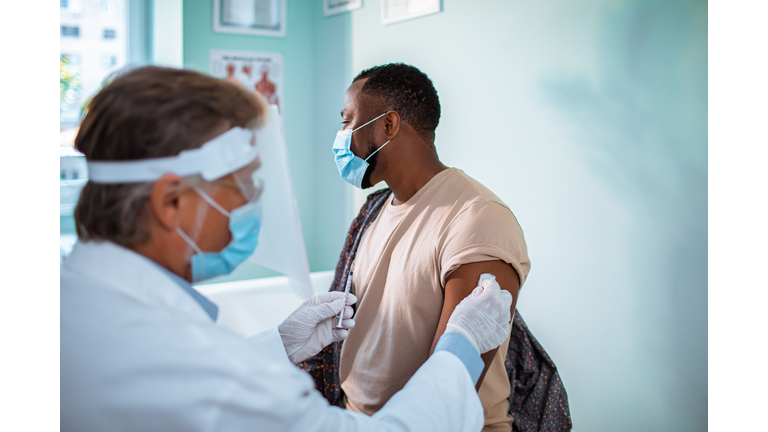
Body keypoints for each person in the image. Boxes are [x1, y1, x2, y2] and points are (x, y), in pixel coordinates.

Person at [60, 66, 514, 432]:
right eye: (240, 184)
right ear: (170, 202)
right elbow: (210, 382)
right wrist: (464, 345)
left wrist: (277, 344)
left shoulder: (70, 301)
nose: (251, 200)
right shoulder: (197, 365)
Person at [331, 63, 531, 431]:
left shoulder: (476, 218)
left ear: (388, 125)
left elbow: (452, 389)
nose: (342, 136)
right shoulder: (375, 210)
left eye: (347, 121)